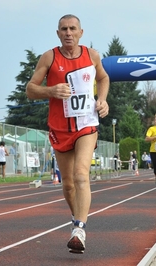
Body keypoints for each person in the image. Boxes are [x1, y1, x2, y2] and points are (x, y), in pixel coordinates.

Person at [26, 14, 110, 254]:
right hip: (60, 128)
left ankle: (79, 230)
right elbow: (30, 90)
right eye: (64, 29)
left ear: (81, 32)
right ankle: (77, 218)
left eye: (73, 29)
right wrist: (51, 90)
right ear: (58, 33)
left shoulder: (92, 55)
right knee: (69, 184)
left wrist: (102, 100)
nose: (68, 33)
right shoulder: (49, 57)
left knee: (81, 175)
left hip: (86, 124)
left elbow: (103, 77)